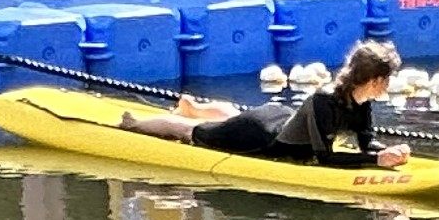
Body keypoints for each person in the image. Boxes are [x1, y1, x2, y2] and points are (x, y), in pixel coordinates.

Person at [119, 39, 411, 168]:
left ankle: (192, 105)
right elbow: (325, 158)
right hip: (261, 136)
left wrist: (387, 152)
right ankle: (136, 123)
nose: (388, 85)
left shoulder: (362, 101)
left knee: (228, 116)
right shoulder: (325, 101)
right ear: (373, 80)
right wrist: (375, 161)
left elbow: (365, 142)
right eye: (386, 79)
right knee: (192, 132)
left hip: (281, 118)